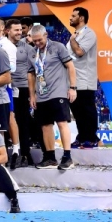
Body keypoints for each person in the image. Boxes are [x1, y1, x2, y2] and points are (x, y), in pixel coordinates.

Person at [29, 25, 77, 169]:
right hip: (41, 94)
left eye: (39, 40)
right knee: (45, 126)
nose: (37, 43)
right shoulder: (32, 52)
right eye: (34, 41)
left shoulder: (58, 47)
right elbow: (30, 75)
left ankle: (67, 157)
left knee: (62, 123)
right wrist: (32, 95)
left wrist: (72, 88)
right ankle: (50, 158)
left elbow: (70, 66)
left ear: (46, 35)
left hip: (58, 92)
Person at [66, 7, 99, 149]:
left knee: (87, 110)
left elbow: (79, 52)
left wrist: (73, 40)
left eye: (73, 16)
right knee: (77, 111)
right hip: (73, 80)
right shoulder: (75, 35)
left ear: (81, 18)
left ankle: (92, 137)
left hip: (85, 79)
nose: (70, 18)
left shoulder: (89, 33)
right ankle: (82, 136)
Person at [0, 17, 20, 168]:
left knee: (9, 118)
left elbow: (12, 69)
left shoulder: (7, 45)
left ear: (2, 28)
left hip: (3, 88)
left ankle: (15, 150)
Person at [6, 19, 36, 167]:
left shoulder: (28, 49)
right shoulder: (1, 46)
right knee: (6, 122)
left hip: (22, 89)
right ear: (8, 31)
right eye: (16, 30)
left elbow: (33, 71)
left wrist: (32, 94)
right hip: (4, 88)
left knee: (23, 122)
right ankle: (5, 154)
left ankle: (25, 153)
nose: (20, 32)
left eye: (20, 30)